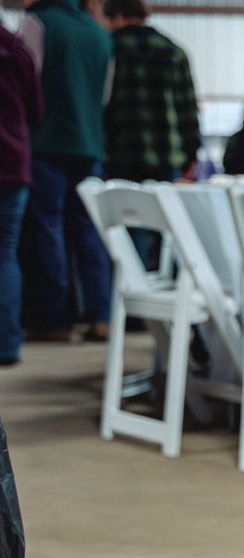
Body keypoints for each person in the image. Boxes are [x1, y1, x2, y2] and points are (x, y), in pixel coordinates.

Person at [18, 0, 114, 343]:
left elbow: (24, 80)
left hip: (46, 143)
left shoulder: (37, 23)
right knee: (90, 231)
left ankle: (54, 320)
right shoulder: (100, 34)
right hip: (89, 144)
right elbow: (104, 96)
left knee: (48, 229)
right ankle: (101, 316)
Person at [102, 0, 201, 184]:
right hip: (166, 158)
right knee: (159, 211)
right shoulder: (174, 52)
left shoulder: (109, 49)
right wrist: (191, 155)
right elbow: (188, 110)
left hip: (118, 156)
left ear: (117, 16)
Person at [0, 29, 43, 366]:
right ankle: (7, 345)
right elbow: (35, 109)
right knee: (4, 254)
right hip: (12, 163)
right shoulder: (16, 48)